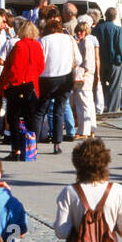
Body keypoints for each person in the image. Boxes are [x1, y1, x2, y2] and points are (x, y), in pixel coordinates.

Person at [0, 20, 44, 160]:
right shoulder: (37, 46)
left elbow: (13, 67)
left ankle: (16, 150)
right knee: (30, 118)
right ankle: (32, 148)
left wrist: (7, 83)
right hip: (32, 86)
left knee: (13, 118)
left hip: (17, 85)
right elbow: (41, 67)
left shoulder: (19, 45)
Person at [34, 17, 79, 154]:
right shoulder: (70, 39)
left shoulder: (43, 41)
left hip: (46, 78)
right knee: (59, 110)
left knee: (40, 111)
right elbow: (78, 59)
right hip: (65, 78)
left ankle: (33, 143)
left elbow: (38, 60)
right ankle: (57, 144)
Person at [94, 6, 122, 114]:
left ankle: (102, 107)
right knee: (115, 87)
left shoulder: (96, 29)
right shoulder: (119, 30)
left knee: (102, 86)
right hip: (115, 63)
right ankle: (112, 111)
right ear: (115, 17)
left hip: (100, 62)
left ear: (105, 15)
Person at [71, 19, 100, 138]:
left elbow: (87, 63)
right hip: (89, 76)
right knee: (89, 103)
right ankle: (91, 129)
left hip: (84, 76)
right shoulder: (87, 42)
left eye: (81, 31)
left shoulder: (85, 43)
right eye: (78, 31)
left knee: (83, 103)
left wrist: (79, 72)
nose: (79, 33)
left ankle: (84, 130)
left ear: (86, 31)